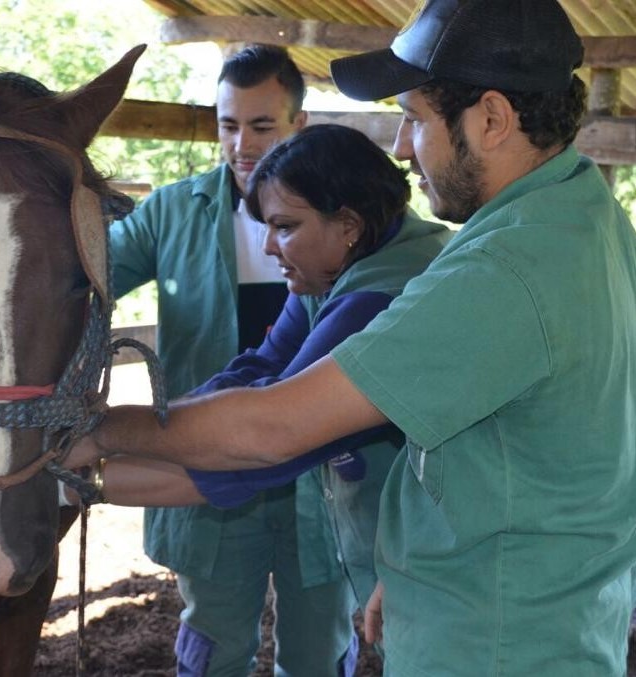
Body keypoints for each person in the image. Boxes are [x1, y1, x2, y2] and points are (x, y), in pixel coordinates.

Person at [75, 1, 636, 675]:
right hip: (534, 615)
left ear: (489, 119)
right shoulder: (584, 216)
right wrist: (410, 567)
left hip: (489, 646)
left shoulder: (497, 270)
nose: (400, 146)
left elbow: (271, 432)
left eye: (414, 117)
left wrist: (93, 430)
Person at [89, 124, 450, 612]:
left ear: (347, 225)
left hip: (450, 570)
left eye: (285, 227)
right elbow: (258, 368)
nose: (268, 248)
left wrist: (91, 458)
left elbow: (267, 442)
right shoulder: (348, 267)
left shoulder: (378, 299)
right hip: (414, 555)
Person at [109, 44, 359, 676]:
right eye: (228, 125)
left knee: (316, 658)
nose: (242, 144)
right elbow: (82, 276)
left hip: (324, 486)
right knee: (213, 651)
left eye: (261, 125)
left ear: (299, 124)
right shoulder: (169, 212)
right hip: (209, 481)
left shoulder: (350, 220)